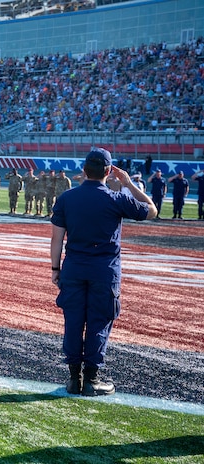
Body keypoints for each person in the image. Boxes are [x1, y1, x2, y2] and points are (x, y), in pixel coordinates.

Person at [51, 148, 157, 396]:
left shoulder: (67, 198)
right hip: (104, 271)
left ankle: (73, 379)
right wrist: (128, 183)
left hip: (74, 268)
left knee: (74, 321)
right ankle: (91, 380)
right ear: (108, 172)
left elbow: (56, 239)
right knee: (99, 322)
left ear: (84, 170)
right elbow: (151, 209)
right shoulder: (116, 198)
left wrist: (55, 268)